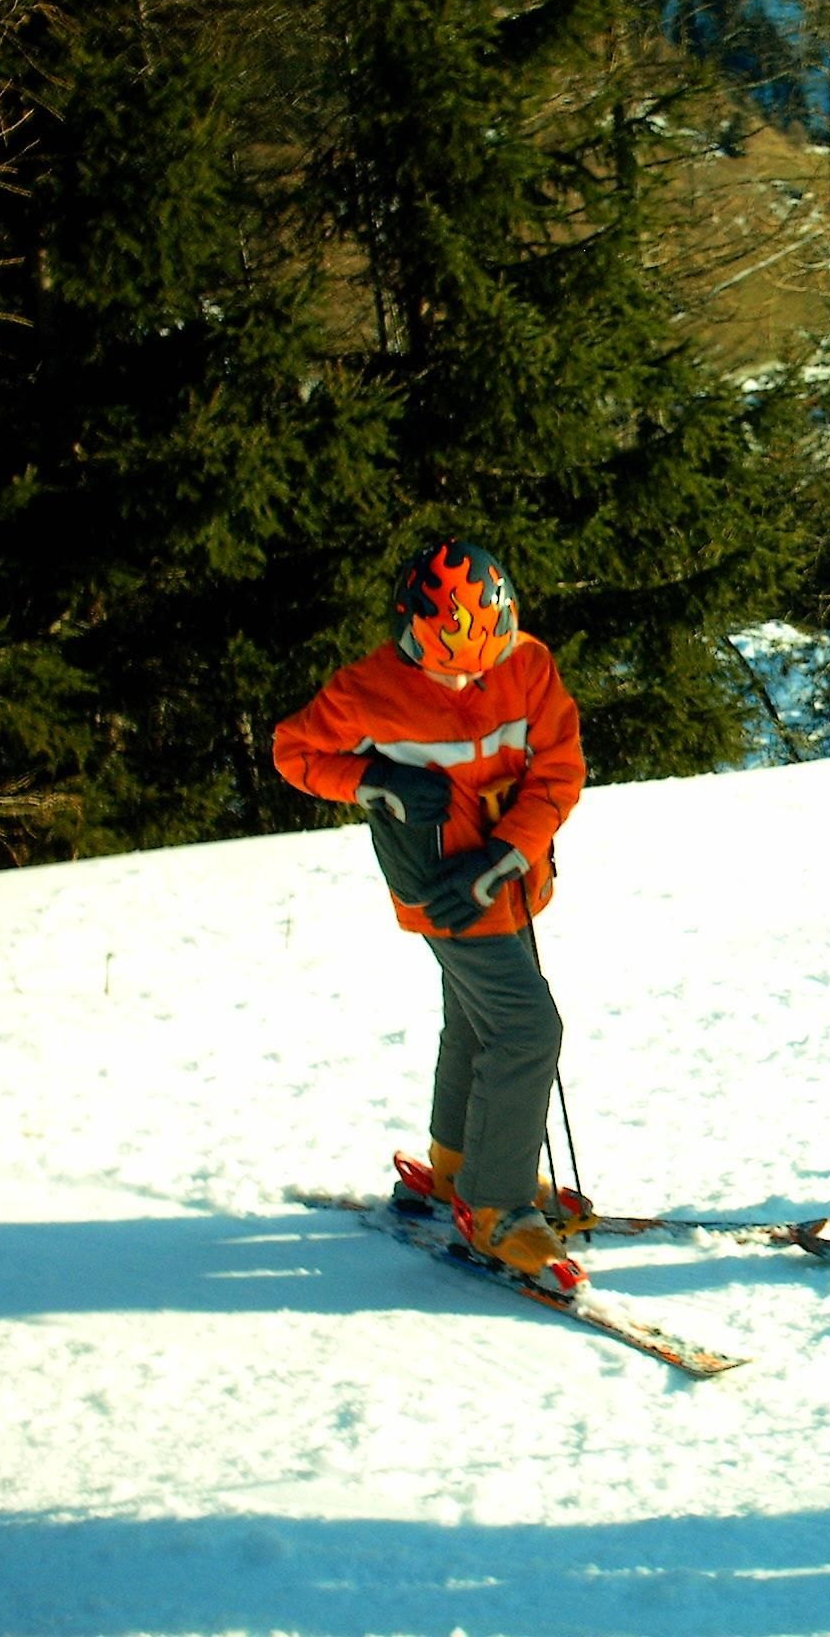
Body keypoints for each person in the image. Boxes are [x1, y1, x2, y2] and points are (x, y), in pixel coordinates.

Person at [272, 538, 591, 1281]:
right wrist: (373, 780)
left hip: (506, 875)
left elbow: (559, 769)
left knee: (477, 1020)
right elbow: (295, 752)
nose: (467, 678)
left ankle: (457, 1168)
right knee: (527, 1027)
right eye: (447, 663)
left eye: (482, 660)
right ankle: (494, 1207)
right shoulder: (367, 690)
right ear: (409, 630)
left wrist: (505, 852)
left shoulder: (528, 665)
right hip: (440, 885)